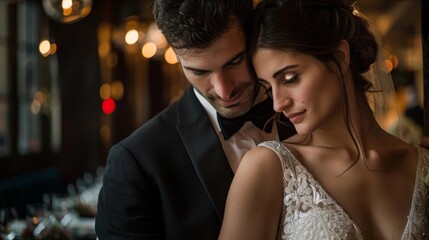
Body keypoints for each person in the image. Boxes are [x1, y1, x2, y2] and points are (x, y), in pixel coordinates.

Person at [218, 0, 429, 239]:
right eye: (268, 88)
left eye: (289, 78)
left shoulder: (422, 166)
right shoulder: (266, 167)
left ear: (339, 58)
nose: (278, 104)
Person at [94, 0, 295, 239]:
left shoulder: (309, 113)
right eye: (199, 72)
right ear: (177, 57)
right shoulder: (136, 162)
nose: (224, 90)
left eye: (234, 62)